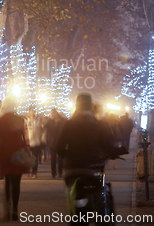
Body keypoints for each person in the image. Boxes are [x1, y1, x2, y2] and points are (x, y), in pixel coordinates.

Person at [57, 93, 126, 225]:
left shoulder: (69, 124)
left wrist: (69, 157)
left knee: (72, 191)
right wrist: (118, 151)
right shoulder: (99, 125)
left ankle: (74, 213)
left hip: (72, 169)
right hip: (92, 168)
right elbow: (107, 146)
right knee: (100, 188)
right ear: (91, 106)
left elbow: (59, 146)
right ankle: (102, 214)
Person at [0, 97, 29, 221]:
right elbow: (23, 138)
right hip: (17, 153)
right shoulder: (19, 119)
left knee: (7, 181)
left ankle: (7, 208)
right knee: (16, 183)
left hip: (5, 153)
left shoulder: (0, 120)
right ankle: (15, 209)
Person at [44, 108, 66, 178]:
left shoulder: (62, 121)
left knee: (60, 158)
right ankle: (53, 172)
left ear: (56, 113)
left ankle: (60, 172)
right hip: (52, 142)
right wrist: (49, 119)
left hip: (60, 142)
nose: (52, 115)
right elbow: (44, 126)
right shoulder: (50, 121)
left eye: (53, 113)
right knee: (53, 158)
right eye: (51, 114)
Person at [25, 107, 42, 178]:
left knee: (35, 158)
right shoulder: (27, 120)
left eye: (34, 111)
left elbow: (39, 128)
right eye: (32, 111)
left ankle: (34, 172)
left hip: (36, 142)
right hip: (29, 142)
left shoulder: (37, 120)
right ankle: (28, 171)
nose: (33, 112)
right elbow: (25, 130)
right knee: (28, 158)